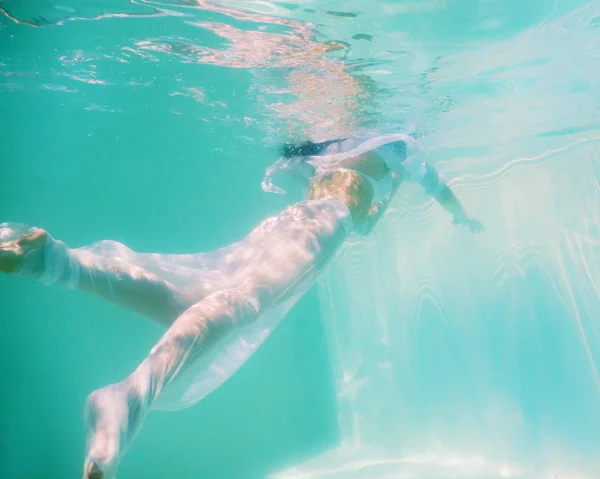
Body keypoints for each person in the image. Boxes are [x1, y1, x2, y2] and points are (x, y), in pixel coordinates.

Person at [0, 168, 377, 479]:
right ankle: (130, 396)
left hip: (285, 226)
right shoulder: (350, 199)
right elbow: (367, 208)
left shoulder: (320, 190)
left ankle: (56, 263)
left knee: (188, 302)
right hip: (322, 225)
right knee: (244, 302)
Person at [262, 133, 484, 234]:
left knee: (362, 228)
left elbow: (439, 188)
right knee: (362, 229)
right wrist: (462, 216)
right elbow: (439, 189)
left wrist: (461, 216)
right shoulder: (310, 159)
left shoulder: (397, 153)